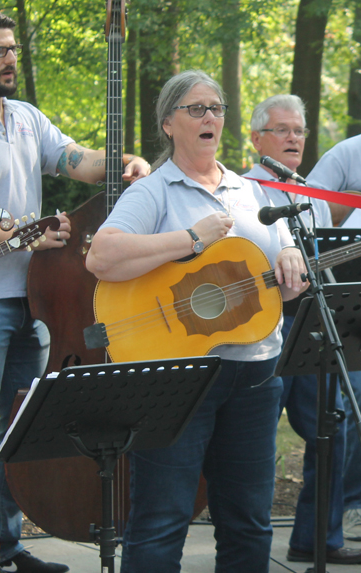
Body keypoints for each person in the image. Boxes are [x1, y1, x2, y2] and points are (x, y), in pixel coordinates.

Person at [0, 9, 150, 573]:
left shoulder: (24, 117)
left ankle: (8, 545)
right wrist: (18, 236)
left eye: (14, 49)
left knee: (22, 429)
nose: (10, 60)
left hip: (42, 303)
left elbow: (73, 160)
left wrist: (124, 163)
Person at [86, 69, 308, 573]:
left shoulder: (252, 191)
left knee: (250, 519)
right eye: (197, 108)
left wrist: (293, 261)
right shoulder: (153, 192)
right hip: (177, 377)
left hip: (256, 374)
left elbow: (281, 256)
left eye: (217, 108)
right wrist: (190, 238)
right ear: (168, 123)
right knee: (162, 520)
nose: (210, 116)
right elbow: (102, 257)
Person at [245, 94, 361, 564]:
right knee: (253, 439)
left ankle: (318, 537)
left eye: (299, 131)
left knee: (332, 429)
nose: (294, 138)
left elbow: (318, 263)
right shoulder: (241, 189)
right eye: (282, 130)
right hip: (260, 333)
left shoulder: (309, 194)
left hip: (311, 331)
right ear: (257, 140)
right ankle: (246, 542)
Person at [307, 137, 361, 542]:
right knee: (354, 406)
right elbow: (310, 219)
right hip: (348, 298)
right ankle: (352, 506)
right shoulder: (348, 153)